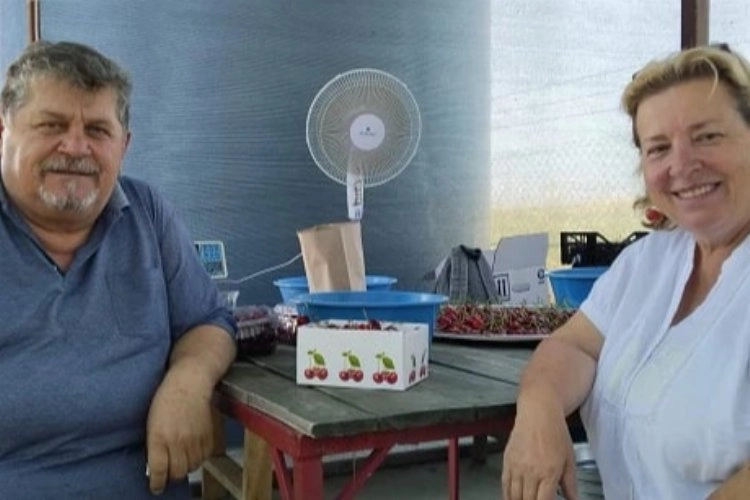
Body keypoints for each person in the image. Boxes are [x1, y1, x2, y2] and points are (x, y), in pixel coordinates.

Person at [501, 43, 750, 500]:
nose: (681, 164)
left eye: (707, 136)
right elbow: (575, 345)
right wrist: (539, 408)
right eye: (658, 148)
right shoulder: (648, 263)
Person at [0, 41, 237, 498]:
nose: (76, 147)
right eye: (51, 125)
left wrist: (188, 381)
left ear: (124, 145)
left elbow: (208, 320)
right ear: (3, 130)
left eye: (97, 130)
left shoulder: (147, 213)